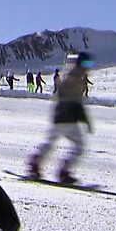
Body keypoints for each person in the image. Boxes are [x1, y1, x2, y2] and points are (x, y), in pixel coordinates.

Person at [27, 51, 96, 185]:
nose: (88, 67)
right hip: (68, 118)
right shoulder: (75, 78)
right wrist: (85, 120)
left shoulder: (70, 74)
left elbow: (60, 96)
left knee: (49, 142)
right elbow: (75, 102)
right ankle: (63, 172)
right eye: (87, 63)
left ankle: (34, 164)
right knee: (79, 146)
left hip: (59, 117)